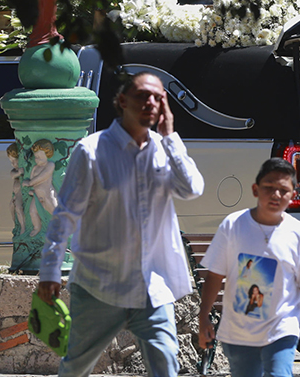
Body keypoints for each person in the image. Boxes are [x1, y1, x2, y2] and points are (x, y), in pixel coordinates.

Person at [37, 72, 205, 377]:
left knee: (166, 365)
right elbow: (65, 215)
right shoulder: (91, 151)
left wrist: (170, 136)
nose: (151, 102)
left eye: (158, 97)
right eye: (143, 95)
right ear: (123, 101)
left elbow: (192, 189)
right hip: (99, 287)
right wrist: (50, 272)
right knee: (75, 368)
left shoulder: (164, 149)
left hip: (152, 288)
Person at [198, 158, 300, 377]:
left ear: (293, 195)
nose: (276, 195)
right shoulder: (233, 225)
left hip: (281, 330)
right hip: (238, 334)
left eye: (283, 190)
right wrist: (203, 317)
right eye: (269, 187)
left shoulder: (298, 233)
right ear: (255, 189)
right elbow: (215, 275)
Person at [23, 139, 58, 237]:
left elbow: (42, 177)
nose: (37, 160)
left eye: (40, 157)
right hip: (36, 195)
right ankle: (37, 227)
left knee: (54, 211)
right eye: (36, 157)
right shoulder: (35, 168)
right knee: (32, 212)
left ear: (48, 154)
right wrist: (32, 189)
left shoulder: (50, 165)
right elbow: (32, 178)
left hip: (47, 194)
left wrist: (29, 183)